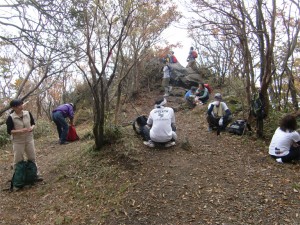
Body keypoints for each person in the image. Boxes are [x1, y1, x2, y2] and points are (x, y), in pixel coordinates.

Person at [6, 99, 40, 176]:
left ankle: (35, 174)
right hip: (18, 141)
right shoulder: (11, 117)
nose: (21, 106)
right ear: (13, 108)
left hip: (29, 139)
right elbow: (9, 131)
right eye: (19, 106)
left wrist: (32, 127)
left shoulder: (27, 113)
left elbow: (33, 123)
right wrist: (20, 131)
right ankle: (17, 177)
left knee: (32, 157)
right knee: (18, 160)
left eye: (21, 104)